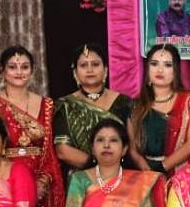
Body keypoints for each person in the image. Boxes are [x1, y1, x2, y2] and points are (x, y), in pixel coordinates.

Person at [0, 45, 65, 207]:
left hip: (42, 179)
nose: (19, 72)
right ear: (2, 71)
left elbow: (49, 151)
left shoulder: (48, 105)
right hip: (3, 180)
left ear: (32, 71)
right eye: (12, 67)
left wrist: (42, 182)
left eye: (24, 67)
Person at [53, 44, 134, 172]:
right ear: (75, 73)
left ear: (105, 70)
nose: (90, 69)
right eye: (83, 65)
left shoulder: (124, 102)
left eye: (95, 64)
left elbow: (132, 148)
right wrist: (100, 167)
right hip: (81, 178)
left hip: (120, 176)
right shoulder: (65, 105)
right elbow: (63, 151)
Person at [127, 43, 190, 175]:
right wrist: (145, 168)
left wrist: (161, 167)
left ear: (176, 71)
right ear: (147, 69)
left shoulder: (187, 101)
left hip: (180, 174)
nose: (160, 70)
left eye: (167, 65)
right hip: (145, 174)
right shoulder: (135, 105)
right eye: (154, 64)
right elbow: (132, 149)